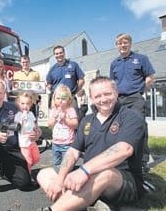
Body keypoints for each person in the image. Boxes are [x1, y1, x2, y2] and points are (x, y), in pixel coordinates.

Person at [37, 76, 146, 211]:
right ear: (91, 98)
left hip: (122, 181)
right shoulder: (87, 121)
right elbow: (73, 151)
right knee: (44, 173)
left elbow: (124, 149)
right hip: (88, 177)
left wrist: (84, 170)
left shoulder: (131, 117)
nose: (103, 99)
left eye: (108, 94)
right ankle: (86, 204)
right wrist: (60, 180)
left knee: (104, 173)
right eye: (98, 96)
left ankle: (55, 209)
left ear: (116, 92)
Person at [110, 33, 156, 171]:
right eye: (120, 43)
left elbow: (150, 78)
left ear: (130, 43)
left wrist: (139, 92)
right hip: (119, 99)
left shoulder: (141, 59)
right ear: (117, 46)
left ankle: (142, 160)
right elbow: (112, 83)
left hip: (135, 98)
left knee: (139, 126)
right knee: (117, 127)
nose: (122, 45)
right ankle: (121, 156)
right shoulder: (114, 63)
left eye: (125, 42)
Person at [48, 84, 78, 170]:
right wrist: (54, 118)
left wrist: (66, 119)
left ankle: (67, 177)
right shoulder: (53, 110)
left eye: (63, 98)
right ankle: (59, 177)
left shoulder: (70, 110)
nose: (60, 101)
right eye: (58, 98)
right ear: (54, 99)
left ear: (68, 99)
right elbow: (50, 125)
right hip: (55, 143)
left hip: (67, 143)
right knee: (57, 163)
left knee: (67, 164)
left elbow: (75, 125)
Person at [14, 92, 41, 173]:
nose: (25, 106)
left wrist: (37, 129)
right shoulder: (18, 115)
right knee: (28, 161)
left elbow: (34, 124)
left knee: (36, 158)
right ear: (18, 104)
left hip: (32, 141)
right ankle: (28, 174)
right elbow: (18, 127)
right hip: (24, 143)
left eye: (27, 104)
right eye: (22, 104)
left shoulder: (31, 114)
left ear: (31, 104)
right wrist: (22, 119)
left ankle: (25, 167)